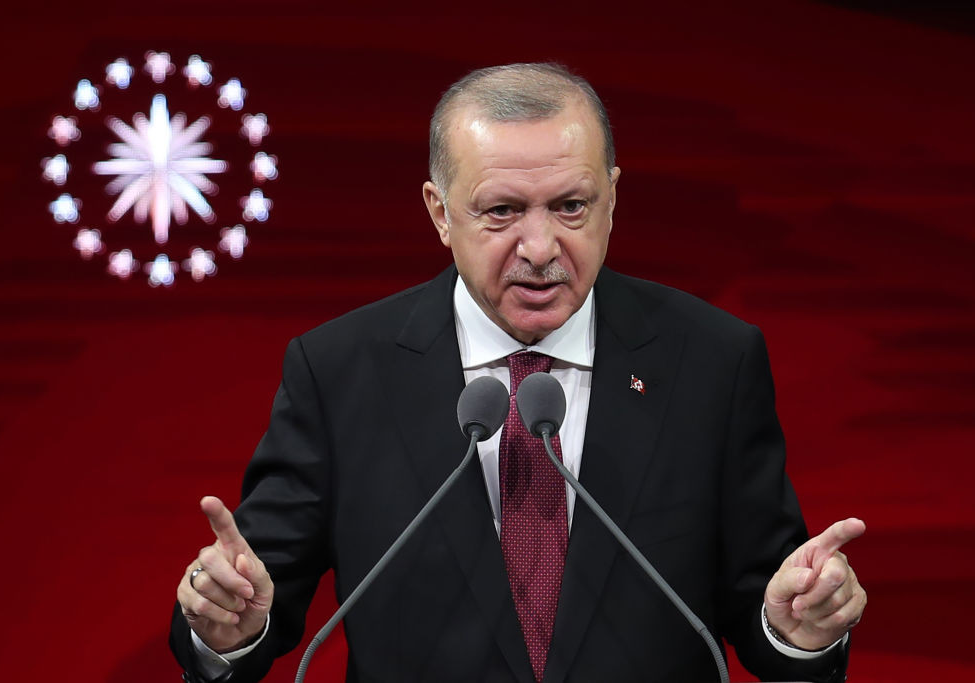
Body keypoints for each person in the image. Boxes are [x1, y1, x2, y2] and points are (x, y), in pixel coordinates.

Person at [171, 63, 866, 683]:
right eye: (502, 211)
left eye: (571, 206)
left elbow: (765, 604)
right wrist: (225, 628)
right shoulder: (340, 370)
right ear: (440, 213)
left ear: (613, 199)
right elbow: (256, 601)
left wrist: (798, 632)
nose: (540, 247)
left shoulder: (713, 360)